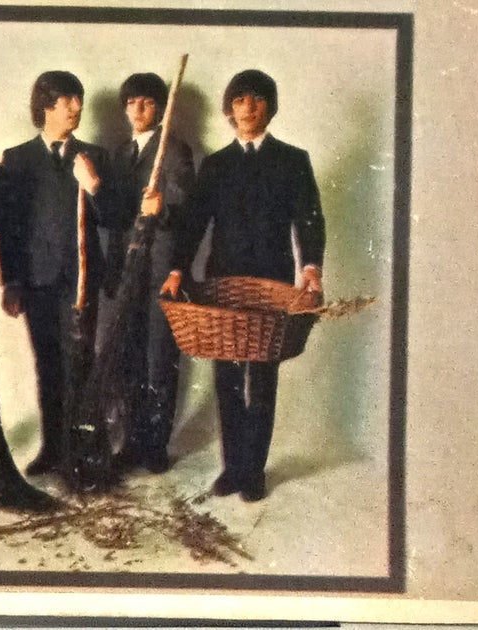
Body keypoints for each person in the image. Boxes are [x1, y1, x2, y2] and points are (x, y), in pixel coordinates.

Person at [163, 68, 326, 502]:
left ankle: (254, 471)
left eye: (256, 99)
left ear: (269, 107)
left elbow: (310, 219)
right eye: (239, 100)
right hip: (223, 285)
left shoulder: (293, 160)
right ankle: (233, 468)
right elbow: (194, 222)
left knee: (263, 378)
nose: (248, 107)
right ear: (229, 111)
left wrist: (311, 268)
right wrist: (178, 268)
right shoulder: (216, 165)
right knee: (227, 380)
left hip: (272, 284)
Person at [0, 70, 106, 477]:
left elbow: (115, 218)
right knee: (47, 364)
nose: (77, 107)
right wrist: (11, 282)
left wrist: (93, 185)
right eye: (67, 99)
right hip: (37, 280)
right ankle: (53, 449)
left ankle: (84, 452)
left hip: (82, 280)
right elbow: (7, 228)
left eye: (79, 99)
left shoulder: (93, 155)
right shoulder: (17, 159)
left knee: (81, 363)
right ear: (46, 106)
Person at [98, 70, 196, 473]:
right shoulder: (120, 154)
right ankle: (131, 442)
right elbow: (114, 215)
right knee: (128, 354)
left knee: (158, 356)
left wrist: (162, 207)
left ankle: (156, 446)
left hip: (158, 266)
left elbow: (186, 210)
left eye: (148, 102)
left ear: (159, 108)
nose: (138, 109)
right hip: (126, 268)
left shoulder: (173, 149)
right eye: (132, 103)